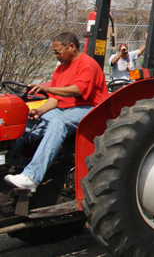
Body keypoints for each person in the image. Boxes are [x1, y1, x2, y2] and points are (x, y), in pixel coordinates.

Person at [5, 33, 108, 191]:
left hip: (90, 108)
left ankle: (31, 177)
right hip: (64, 108)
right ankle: (7, 161)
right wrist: (39, 111)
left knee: (58, 123)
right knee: (29, 122)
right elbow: (54, 99)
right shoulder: (60, 69)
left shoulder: (87, 64)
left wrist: (46, 89)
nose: (55, 56)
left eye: (57, 52)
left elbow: (78, 90)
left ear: (71, 47)